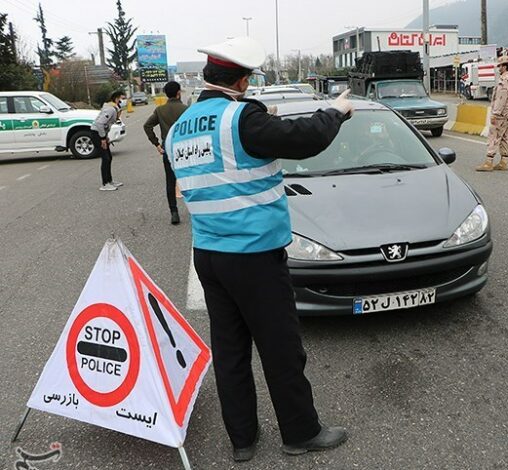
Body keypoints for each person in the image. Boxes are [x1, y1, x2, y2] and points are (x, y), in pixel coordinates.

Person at [166, 37, 354, 462]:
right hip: (253, 256)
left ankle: (243, 441)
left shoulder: (182, 126)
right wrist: (335, 112)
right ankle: (300, 433)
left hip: (208, 255)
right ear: (244, 80)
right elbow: (304, 138)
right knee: (281, 348)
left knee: (230, 351)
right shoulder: (242, 119)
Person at [143, 81, 187, 224]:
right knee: (190, 179)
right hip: (185, 150)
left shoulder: (160, 110)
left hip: (168, 149)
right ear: (178, 92)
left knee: (170, 181)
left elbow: (147, 125)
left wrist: (156, 143)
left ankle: (174, 213)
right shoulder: (186, 109)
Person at [476, 55, 508, 172]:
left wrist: (496, 113)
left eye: (499, 66)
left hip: (502, 113)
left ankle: (489, 162)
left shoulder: (504, 80)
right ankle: (504, 161)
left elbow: (501, 98)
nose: (498, 68)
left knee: (494, 135)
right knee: (505, 136)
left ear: (504, 66)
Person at [91, 90, 125, 191]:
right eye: (121, 99)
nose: (122, 101)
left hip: (101, 134)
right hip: (96, 134)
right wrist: (102, 139)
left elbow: (106, 125)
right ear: (116, 99)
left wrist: (105, 136)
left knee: (109, 157)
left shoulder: (112, 108)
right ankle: (105, 184)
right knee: (105, 158)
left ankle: (110, 181)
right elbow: (100, 124)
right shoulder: (110, 109)